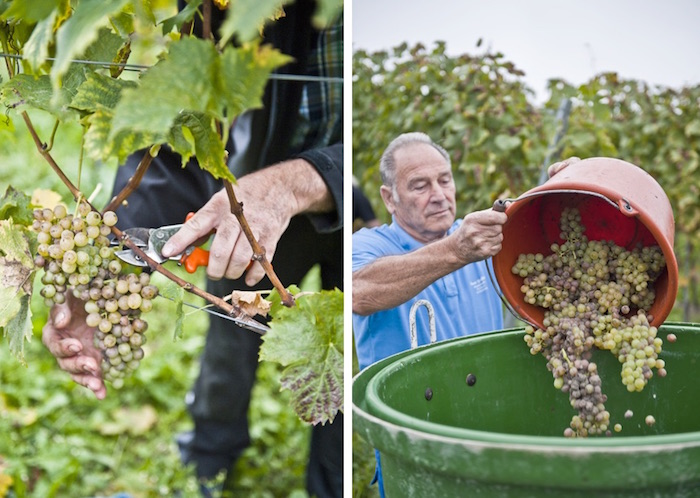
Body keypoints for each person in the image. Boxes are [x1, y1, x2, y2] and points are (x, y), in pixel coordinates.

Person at [41, 1, 343, 497]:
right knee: (230, 336)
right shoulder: (219, 7)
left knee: (345, 357)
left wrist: (299, 182)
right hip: (243, 208)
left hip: (361, 206)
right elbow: (181, 139)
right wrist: (103, 281)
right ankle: (208, 457)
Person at [351, 132, 577, 495]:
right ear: (388, 198)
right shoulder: (369, 246)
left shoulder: (480, 241)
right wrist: (456, 251)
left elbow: (550, 258)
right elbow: (360, 291)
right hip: (412, 439)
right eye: (420, 186)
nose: (439, 195)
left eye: (444, 180)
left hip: (487, 429)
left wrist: (571, 191)